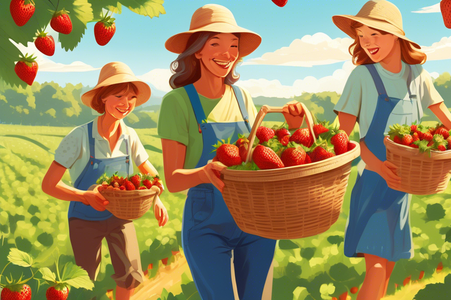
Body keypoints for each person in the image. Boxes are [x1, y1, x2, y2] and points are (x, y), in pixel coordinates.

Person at [158, 4, 304, 300]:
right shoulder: (177, 103)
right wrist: (203, 173)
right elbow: (172, 181)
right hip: (206, 220)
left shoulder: (242, 97)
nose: (227, 54)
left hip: (257, 216)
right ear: (197, 51)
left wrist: (293, 129)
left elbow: (258, 159)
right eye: (216, 44)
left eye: (233, 46)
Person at [331, 1, 451, 299]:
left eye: (376, 34)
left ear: (396, 36)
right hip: (373, 182)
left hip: (404, 186)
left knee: (389, 264)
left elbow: (441, 111)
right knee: (376, 268)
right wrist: (377, 165)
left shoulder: (417, 75)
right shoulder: (362, 77)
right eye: (361, 35)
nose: (367, 42)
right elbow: (341, 138)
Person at [42, 61, 169, 300]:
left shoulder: (130, 136)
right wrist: (85, 196)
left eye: (131, 97)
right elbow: (48, 184)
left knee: (131, 273)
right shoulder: (79, 137)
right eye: (119, 95)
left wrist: (156, 197)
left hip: (120, 216)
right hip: (84, 218)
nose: (126, 103)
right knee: (85, 278)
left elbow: (152, 175)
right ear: (102, 98)